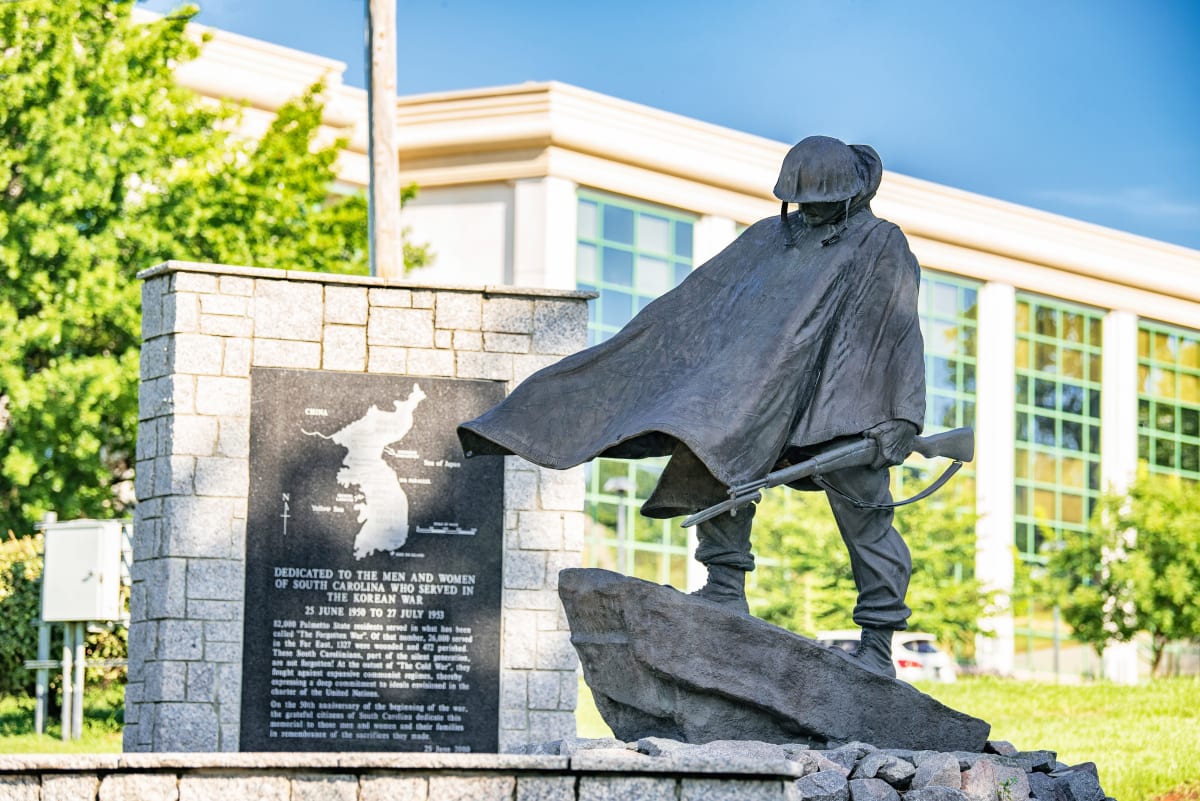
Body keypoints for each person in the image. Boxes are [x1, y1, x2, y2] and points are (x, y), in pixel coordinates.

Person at [458, 136, 926, 678]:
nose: (810, 212)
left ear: (849, 194)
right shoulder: (768, 239)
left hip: (845, 402)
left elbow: (899, 331)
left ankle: (876, 639)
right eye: (802, 202)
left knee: (866, 514)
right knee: (711, 449)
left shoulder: (880, 242)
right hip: (763, 393)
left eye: (822, 202)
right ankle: (725, 587)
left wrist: (903, 415)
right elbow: (705, 304)